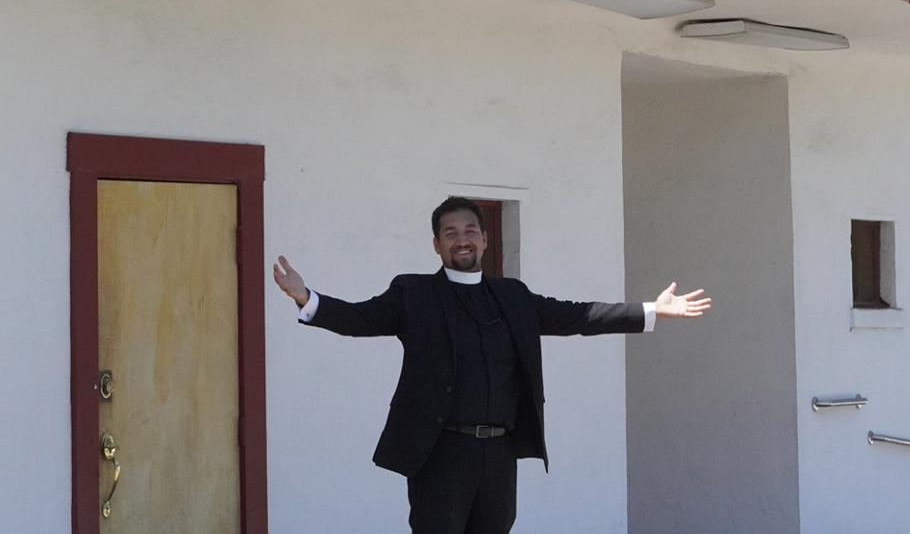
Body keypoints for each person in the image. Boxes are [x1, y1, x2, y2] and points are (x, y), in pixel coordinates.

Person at [272, 196, 711, 534]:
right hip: (440, 451)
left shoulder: (513, 296)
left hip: (499, 452)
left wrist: (652, 309)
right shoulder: (414, 294)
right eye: (450, 233)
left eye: (469, 230)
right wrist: (306, 297)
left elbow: (578, 316)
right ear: (436, 244)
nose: (461, 239)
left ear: (484, 239)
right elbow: (359, 319)